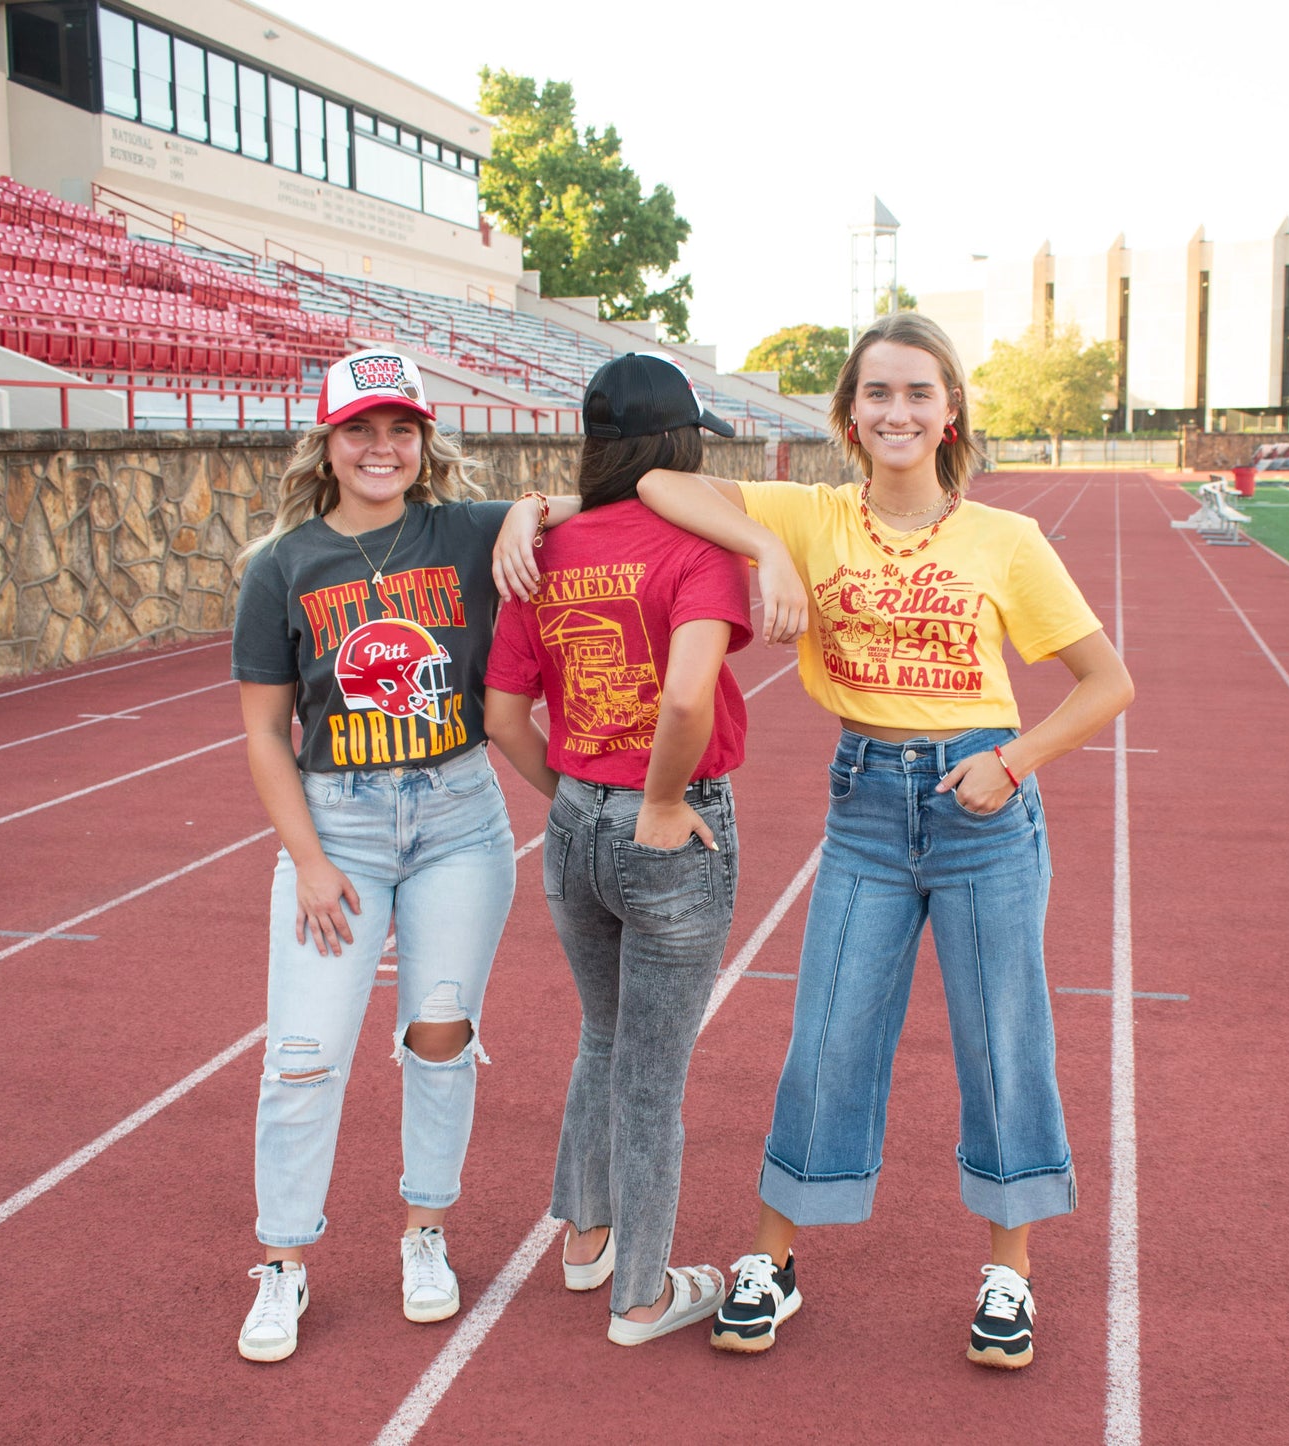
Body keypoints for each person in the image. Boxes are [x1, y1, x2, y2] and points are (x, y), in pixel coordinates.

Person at [626, 314, 1135, 1367]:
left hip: (980, 808)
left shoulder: (1005, 540)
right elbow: (655, 489)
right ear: (848, 417)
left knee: (1003, 1042)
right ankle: (773, 1258)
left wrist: (1011, 762)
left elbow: (1106, 683)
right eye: (876, 395)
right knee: (825, 1036)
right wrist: (765, 542)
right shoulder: (809, 515)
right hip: (863, 802)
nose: (896, 411)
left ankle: (1008, 1272)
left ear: (948, 414)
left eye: (916, 393)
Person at [229, 347, 568, 1363]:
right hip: (338, 827)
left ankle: (426, 1232)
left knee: (439, 1034)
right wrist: (312, 861)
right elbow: (262, 736)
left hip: (459, 819)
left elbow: (554, 504)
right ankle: (282, 1262)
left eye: (400, 430)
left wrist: (523, 511)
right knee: (304, 1055)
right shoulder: (282, 567)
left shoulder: (463, 530)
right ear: (325, 445)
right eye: (359, 430)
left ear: (425, 443)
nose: (381, 448)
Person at [483, 352, 754, 1346]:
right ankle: (640, 1294)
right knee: (652, 1072)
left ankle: (584, 1236)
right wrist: (660, 798)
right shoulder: (700, 550)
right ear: (680, 448)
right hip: (670, 827)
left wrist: (581, 801)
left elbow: (504, 717)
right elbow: (686, 694)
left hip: (573, 826)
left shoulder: (541, 551)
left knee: (601, 1038)